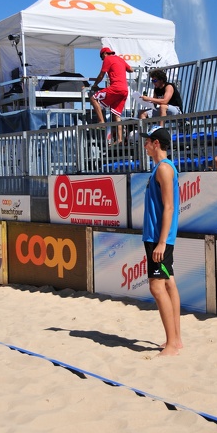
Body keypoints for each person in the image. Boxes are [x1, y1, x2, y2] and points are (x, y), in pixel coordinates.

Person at [140, 125, 182, 357]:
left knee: (157, 286)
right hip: (158, 236)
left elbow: (169, 207)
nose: (144, 145)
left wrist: (162, 242)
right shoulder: (161, 168)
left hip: (159, 237)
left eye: (147, 141)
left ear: (156, 143)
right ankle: (176, 340)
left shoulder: (164, 169)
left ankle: (172, 344)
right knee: (168, 284)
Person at [88, 47, 134, 144]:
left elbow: (101, 75)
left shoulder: (108, 59)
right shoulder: (120, 59)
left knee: (93, 98)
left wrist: (95, 85)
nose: (102, 60)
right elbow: (131, 70)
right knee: (116, 114)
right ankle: (120, 139)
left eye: (101, 57)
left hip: (116, 88)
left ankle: (101, 122)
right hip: (124, 90)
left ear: (104, 54)